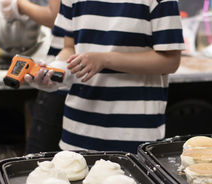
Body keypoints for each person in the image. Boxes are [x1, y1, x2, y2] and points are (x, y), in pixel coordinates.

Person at [24, 0, 185, 153]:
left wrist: (106, 59)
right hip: (77, 131)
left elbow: (170, 61)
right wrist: (56, 73)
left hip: (133, 133)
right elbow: (69, 48)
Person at [0, 0, 67, 154]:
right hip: (66, 73)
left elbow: (56, 17)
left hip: (62, 79)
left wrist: (19, 5)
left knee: (39, 160)